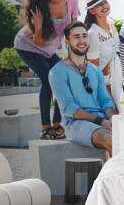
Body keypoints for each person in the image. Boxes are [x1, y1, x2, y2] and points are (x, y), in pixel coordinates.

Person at [14, 0, 80, 139]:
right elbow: (38, 41)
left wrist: (73, 57)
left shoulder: (72, 1)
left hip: (49, 50)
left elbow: (73, 30)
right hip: (28, 45)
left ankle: (58, 124)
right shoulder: (39, 7)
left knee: (64, 78)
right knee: (48, 80)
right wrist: (37, 27)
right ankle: (45, 128)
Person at [49, 21, 115, 157]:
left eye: (84, 36)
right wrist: (101, 121)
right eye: (76, 37)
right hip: (75, 124)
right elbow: (70, 108)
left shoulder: (95, 70)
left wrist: (113, 119)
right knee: (110, 139)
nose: (82, 40)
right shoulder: (57, 71)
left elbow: (105, 101)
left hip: (101, 120)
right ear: (67, 42)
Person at [84, 0, 122, 112]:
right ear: (91, 11)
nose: (104, 6)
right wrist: (107, 86)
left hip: (113, 76)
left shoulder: (111, 25)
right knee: (112, 114)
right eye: (99, 5)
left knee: (117, 112)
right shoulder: (92, 34)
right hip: (99, 83)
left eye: (105, 2)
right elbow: (93, 70)